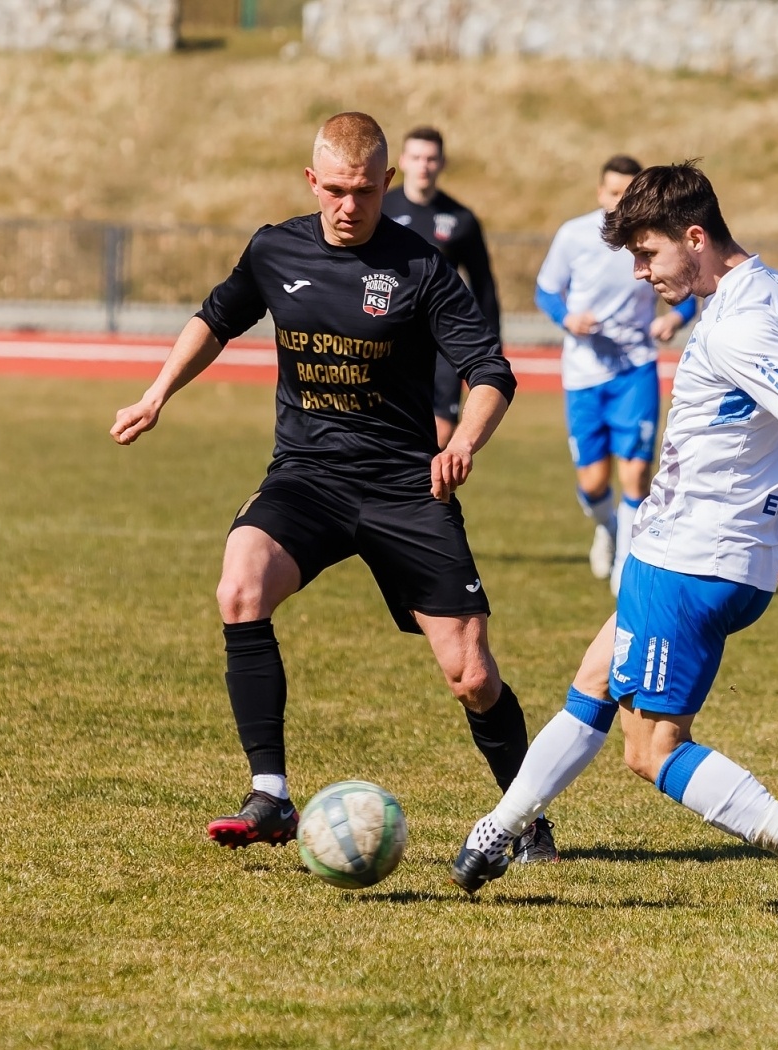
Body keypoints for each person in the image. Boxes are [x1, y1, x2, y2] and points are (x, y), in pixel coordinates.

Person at [448, 162, 778, 923]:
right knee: (594, 679)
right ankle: (498, 831)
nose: (639, 273)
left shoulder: (738, 325)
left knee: (651, 749)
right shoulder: (776, 294)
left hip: (688, 558)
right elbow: (773, 434)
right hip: (719, 552)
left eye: (648, 255)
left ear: (695, 238)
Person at [110, 112, 557, 863]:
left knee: (472, 675)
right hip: (307, 477)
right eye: (336, 190)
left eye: (365, 191)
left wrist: (466, 443)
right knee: (240, 587)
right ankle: (271, 795)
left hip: (405, 486)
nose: (350, 206)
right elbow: (217, 318)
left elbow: (492, 370)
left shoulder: (420, 266)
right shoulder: (274, 247)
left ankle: (524, 816)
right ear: (312, 181)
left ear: (387, 182)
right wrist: (158, 393)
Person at [535, 155, 696, 592]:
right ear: (599, 192)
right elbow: (546, 290)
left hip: (636, 369)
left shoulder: (657, 238)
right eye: (612, 192)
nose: (618, 201)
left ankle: (628, 560)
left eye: (628, 193)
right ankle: (606, 528)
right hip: (584, 373)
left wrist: (672, 320)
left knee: (636, 476)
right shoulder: (574, 235)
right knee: (593, 482)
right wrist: (568, 319)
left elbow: (689, 295)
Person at [382, 127, 501, 450]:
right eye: (417, 157)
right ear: (403, 161)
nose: (424, 165)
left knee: (439, 433)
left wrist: (492, 346)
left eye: (431, 159)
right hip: (391, 332)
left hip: (443, 340)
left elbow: (483, 285)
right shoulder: (380, 209)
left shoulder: (461, 219)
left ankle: (425, 494)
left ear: (442, 163)